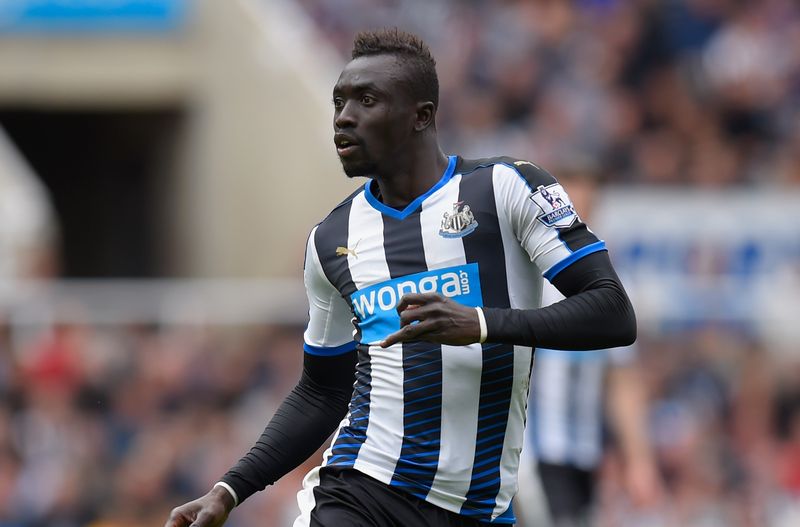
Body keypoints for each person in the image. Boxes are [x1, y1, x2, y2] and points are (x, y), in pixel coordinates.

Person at [164, 28, 636, 527]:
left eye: (366, 100)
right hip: (361, 492)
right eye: (339, 102)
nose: (344, 117)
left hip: (478, 509)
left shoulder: (506, 189)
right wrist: (230, 489)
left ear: (421, 116)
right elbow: (322, 391)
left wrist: (481, 324)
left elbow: (612, 311)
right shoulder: (332, 239)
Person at [518, 170, 662, 527]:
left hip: (585, 453)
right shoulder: (526, 278)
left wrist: (639, 459)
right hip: (531, 452)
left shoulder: (613, 286)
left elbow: (622, 382)